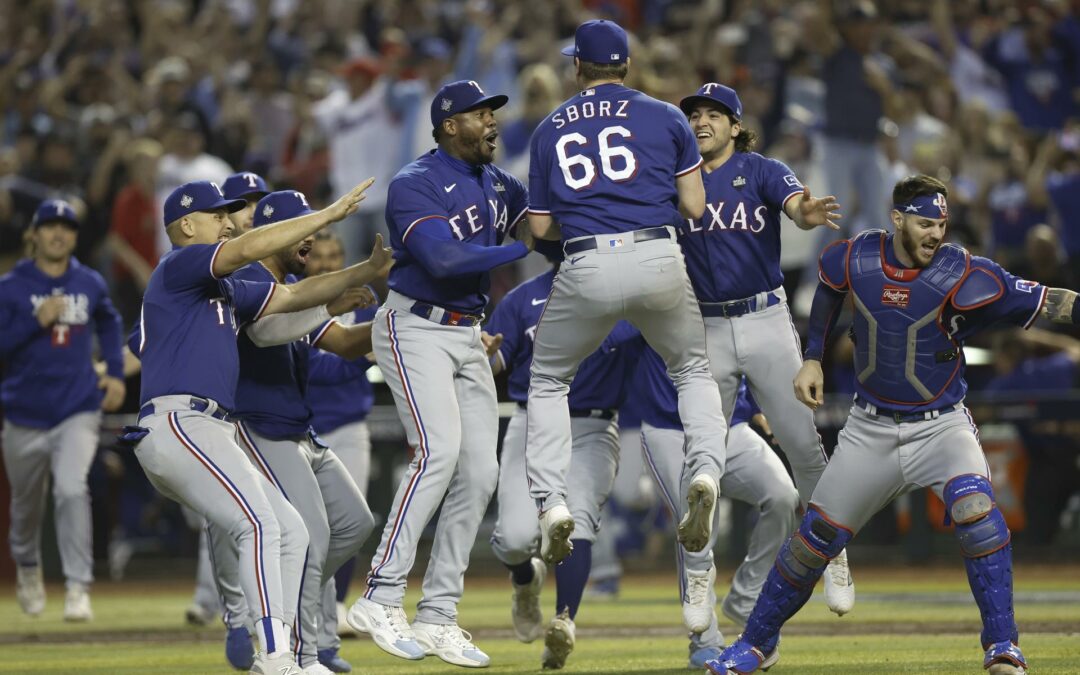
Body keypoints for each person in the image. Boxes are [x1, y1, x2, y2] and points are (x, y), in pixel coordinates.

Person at [705, 174, 1080, 675]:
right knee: (811, 543)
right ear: (897, 218)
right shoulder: (856, 257)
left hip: (942, 426)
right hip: (869, 428)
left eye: (942, 224)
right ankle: (755, 644)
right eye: (926, 222)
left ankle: (1003, 646)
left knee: (978, 513)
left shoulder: (965, 273)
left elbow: (1043, 300)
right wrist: (812, 356)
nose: (936, 234)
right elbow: (829, 290)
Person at [130, 177, 387, 675]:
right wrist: (329, 214)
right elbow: (247, 247)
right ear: (187, 225)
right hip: (180, 419)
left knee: (289, 531)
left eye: (230, 214)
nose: (228, 222)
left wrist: (367, 269)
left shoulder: (223, 289)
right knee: (261, 526)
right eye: (217, 216)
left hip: (208, 426)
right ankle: (273, 654)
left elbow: (293, 299)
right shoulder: (180, 264)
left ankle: (287, 654)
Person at [524, 19, 727, 569]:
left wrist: (591, 222)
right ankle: (705, 469)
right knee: (691, 371)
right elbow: (694, 207)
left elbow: (540, 228)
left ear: (576, 68)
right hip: (656, 253)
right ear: (626, 66)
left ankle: (551, 503)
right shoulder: (665, 116)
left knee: (546, 382)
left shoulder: (549, 128)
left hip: (586, 259)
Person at [345, 80, 532, 669]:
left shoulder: (500, 183)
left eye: (493, 114)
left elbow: (547, 227)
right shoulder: (414, 183)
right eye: (481, 115)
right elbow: (444, 260)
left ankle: (439, 615)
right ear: (450, 124)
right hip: (414, 327)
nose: (492, 123)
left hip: (465, 332)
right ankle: (378, 594)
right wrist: (519, 250)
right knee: (439, 452)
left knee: (480, 472)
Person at [675, 82, 854, 613]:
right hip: (705, 327)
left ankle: (834, 553)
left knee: (804, 447)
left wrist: (807, 211)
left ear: (735, 125)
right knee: (701, 455)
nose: (701, 122)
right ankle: (699, 572)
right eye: (694, 115)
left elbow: (795, 206)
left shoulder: (761, 169)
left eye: (713, 114)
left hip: (766, 318)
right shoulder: (674, 180)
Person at [214, 189, 382, 673]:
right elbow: (264, 331)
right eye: (301, 229)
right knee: (311, 539)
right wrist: (328, 306)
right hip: (257, 426)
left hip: (299, 428)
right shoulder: (247, 277)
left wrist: (404, 320)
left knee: (355, 523)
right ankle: (302, 655)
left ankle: (279, 600)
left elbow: (348, 344)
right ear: (275, 234)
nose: (309, 238)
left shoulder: (293, 288)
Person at [484, 258, 644, 670]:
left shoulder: (627, 295)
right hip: (532, 421)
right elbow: (496, 362)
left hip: (594, 425)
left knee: (579, 520)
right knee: (516, 538)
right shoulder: (523, 299)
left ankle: (563, 621)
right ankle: (525, 581)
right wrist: (481, 358)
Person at [1, 199, 125, 622]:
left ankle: (78, 588)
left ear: (74, 235)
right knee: (25, 508)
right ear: (33, 234)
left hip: (77, 407)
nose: (59, 234)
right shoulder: (11, 286)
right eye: (50, 226)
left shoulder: (89, 282)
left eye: (67, 227)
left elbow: (110, 324)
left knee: (72, 489)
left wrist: (115, 373)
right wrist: (33, 322)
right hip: (23, 412)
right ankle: (30, 568)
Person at [637, 356, 798, 669]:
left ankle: (746, 595)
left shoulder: (728, 305)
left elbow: (747, 350)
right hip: (669, 428)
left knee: (783, 497)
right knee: (694, 520)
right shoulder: (655, 304)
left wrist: (756, 405)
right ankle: (704, 639)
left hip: (729, 426)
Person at [303, 230, 380, 643]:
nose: (329, 264)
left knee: (351, 521)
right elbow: (317, 370)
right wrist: (355, 357)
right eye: (320, 256)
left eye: (336, 255)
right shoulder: (295, 295)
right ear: (305, 259)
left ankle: (334, 605)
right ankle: (299, 606)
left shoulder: (363, 293)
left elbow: (381, 348)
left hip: (350, 422)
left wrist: (354, 357)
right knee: (305, 526)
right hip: (301, 428)